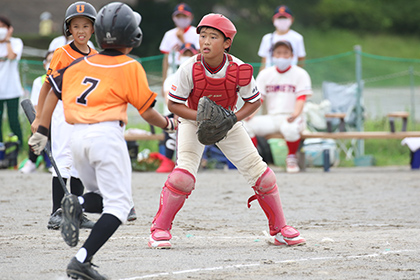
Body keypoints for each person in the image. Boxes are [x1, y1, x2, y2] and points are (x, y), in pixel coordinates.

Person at [28, 3, 177, 278]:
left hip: (78, 139)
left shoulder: (79, 63)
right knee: (119, 207)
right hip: (106, 137)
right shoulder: (130, 66)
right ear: (133, 37)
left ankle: (77, 204)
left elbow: (53, 91)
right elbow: (147, 112)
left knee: (96, 196)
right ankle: (82, 260)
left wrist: (43, 128)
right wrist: (168, 124)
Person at [148, 13, 306, 249]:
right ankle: (159, 229)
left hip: (227, 120)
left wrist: (231, 119)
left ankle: (279, 230)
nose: (206, 42)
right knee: (183, 177)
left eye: (213, 37)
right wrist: (202, 119)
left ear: (227, 43)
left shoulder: (240, 69)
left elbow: (254, 102)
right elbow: (173, 105)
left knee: (263, 175)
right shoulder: (188, 68)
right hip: (193, 121)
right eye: (202, 36)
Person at [31, 1, 97, 230]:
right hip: (61, 112)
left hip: (84, 115)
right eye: (75, 26)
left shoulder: (96, 55)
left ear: (93, 29)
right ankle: (56, 212)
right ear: (68, 29)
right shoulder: (62, 53)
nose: (80, 31)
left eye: (85, 26)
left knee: (81, 162)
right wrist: (40, 119)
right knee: (62, 159)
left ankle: (76, 213)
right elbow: (47, 88)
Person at [244, 40, 312, 173]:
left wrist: (295, 114)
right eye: (278, 53)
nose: (282, 56)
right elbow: (259, 99)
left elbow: (301, 98)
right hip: (272, 117)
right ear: (273, 55)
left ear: (292, 55)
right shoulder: (265, 74)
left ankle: (291, 157)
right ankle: (254, 160)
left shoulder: (300, 74)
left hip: (292, 116)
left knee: (290, 129)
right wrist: (250, 114)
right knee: (246, 125)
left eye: (286, 53)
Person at [156, 42, 199, 173]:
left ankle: (190, 162)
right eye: (185, 54)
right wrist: (178, 111)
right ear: (179, 57)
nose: (187, 57)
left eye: (190, 54)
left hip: (192, 113)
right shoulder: (172, 77)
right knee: (173, 128)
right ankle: (168, 160)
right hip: (174, 112)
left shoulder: (198, 76)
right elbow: (168, 97)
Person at [20, 51, 54, 174]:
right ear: (44, 64)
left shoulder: (64, 78)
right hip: (45, 116)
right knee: (38, 126)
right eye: (49, 60)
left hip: (60, 117)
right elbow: (35, 104)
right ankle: (32, 161)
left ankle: (52, 162)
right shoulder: (39, 81)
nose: (51, 63)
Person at [257, 5, 306, 71]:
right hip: (271, 77)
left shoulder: (297, 38)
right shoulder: (267, 38)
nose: (282, 21)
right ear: (274, 20)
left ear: (291, 20)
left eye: (285, 18)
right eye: (279, 18)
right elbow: (264, 63)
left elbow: (301, 61)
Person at [159, 3, 199, 81]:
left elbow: (198, 54)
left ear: (191, 17)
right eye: (178, 16)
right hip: (173, 69)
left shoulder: (197, 33)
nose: (181, 19)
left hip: (191, 69)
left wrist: (182, 40)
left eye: (184, 16)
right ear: (173, 18)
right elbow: (166, 59)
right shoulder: (169, 34)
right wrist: (164, 80)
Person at [0, 16, 23, 146]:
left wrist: (7, 40)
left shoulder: (16, 42)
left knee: (13, 120)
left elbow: (12, 56)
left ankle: (19, 147)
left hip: (12, 89)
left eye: (3, 26)